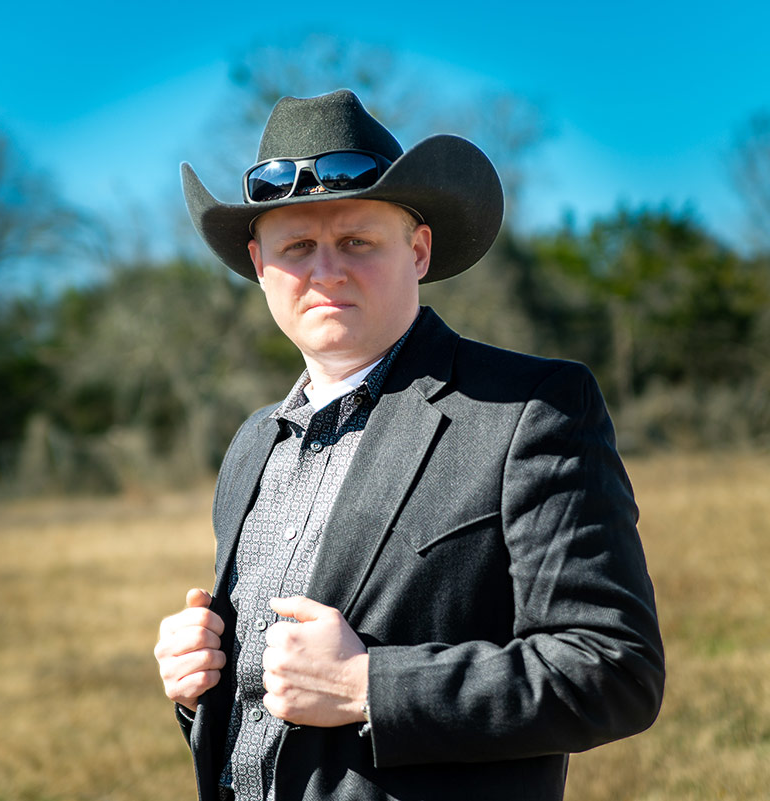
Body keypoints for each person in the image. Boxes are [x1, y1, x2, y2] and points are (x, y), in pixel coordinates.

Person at [154, 89, 664, 801]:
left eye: (357, 240)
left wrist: (370, 685)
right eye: (297, 245)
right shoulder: (250, 445)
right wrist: (199, 689)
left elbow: (614, 667)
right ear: (259, 264)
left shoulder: (530, 409)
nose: (325, 270)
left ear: (417, 250)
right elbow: (268, 716)